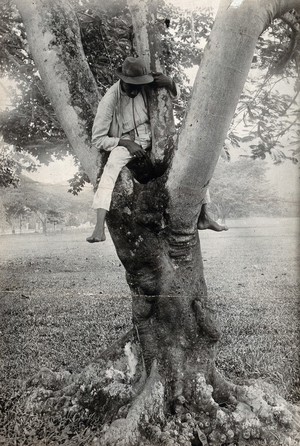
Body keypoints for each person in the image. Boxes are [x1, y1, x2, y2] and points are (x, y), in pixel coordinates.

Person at [87, 57, 227, 243]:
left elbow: (170, 95)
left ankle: (203, 216)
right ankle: (99, 227)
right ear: (123, 80)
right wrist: (126, 143)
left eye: (139, 85)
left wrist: (170, 83)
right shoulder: (110, 99)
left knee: (190, 154)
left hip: (155, 136)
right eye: (131, 86)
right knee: (111, 168)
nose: (136, 90)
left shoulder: (146, 84)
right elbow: (98, 139)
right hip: (127, 140)